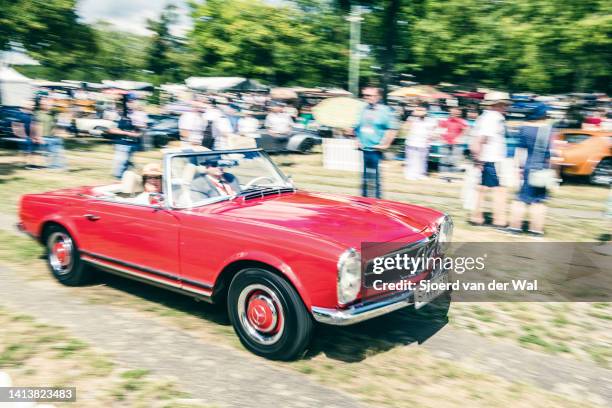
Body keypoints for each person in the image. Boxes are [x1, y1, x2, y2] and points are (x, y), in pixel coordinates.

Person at [469, 92, 511, 227]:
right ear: (496, 105)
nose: (506, 107)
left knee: (482, 188)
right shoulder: (494, 117)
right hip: (492, 159)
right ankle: (499, 220)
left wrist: (477, 159)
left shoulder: (485, 116)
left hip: (488, 158)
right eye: (504, 104)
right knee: (500, 190)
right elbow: (480, 140)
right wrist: (478, 160)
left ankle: (477, 217)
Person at [507, 122, 554, 235]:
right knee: (539, 201)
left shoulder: (525, 129)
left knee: (520, 200)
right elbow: (551, 154)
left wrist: (518, 169)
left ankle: (515, 228)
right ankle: (536, 231)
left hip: (529, 168)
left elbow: (521, 152)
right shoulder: (549, 129)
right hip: (543, 170)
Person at [353, 86, 399, 198]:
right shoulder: (363, 109)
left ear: (378, 97)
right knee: (364, 178)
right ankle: (363, 202)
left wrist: (386, 144)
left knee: (376, 178)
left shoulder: (385, 110)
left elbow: (392, 128)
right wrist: (357, 140)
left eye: (369, 95)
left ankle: (378, 203)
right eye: (364, 95)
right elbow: (357, 127)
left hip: (376, 149)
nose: (366, 98)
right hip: (364, 148)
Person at [403, 103, 437, 180]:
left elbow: (434, 131)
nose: (420, 112)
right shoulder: (411, 119)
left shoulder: (431, 120)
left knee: (422, 160)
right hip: (411, 143)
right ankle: (410, 174)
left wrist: (432, 137)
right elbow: (405, 128)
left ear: (427, 111)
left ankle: (421, 174)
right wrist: (413, 115)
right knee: (411, 159)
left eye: (422, 110)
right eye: (418, 110)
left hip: (424, 143)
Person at [33, 97, 66, 170]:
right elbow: (36, 125)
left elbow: (62, 114)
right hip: (43, 136)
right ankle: (47, 166)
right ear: (42, 105)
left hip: (52, 137)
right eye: (46, 104)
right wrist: (38, 137)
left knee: (56, 152)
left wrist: (59, 133)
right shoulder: (38, 113)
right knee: (45, 153)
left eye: (50, 104)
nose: (49, 105)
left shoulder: (53, 113)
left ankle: (57, 167)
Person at [109, 112, 141, 179]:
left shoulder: (135, 118)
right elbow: (111, 130)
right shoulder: (119, 118)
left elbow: (139, 132)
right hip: (121, 144)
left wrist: (136, 134)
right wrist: (127, 133)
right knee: (121, 163)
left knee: (126, 162)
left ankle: (124, 177)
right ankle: (119, 177)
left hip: (132, 145)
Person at [439, 107, 468, 178]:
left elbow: (466, 130)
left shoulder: (461, 121)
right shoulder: (446, 120)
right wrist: (442, 138)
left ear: (458, 113)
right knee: (445, 160)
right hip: (446, 143)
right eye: (452, 112)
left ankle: (450, 175)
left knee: (454, 160)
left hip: (456, 144)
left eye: (455, 112)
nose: (453, 114)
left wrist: (459, 138)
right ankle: (445, 176)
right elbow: (440, 129)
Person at [11, 100, 40, 168]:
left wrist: (35, 137)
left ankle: (32, 163)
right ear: (25, 105)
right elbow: (16, 126)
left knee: (35, 143)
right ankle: (27, 163)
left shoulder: (32, 115)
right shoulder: (18, 113)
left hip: (30, 135)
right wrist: (24, 136)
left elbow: (34, 125)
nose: (33, 106)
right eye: (31, 105)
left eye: (33, 105)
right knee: (28, 142)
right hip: (20, 135)